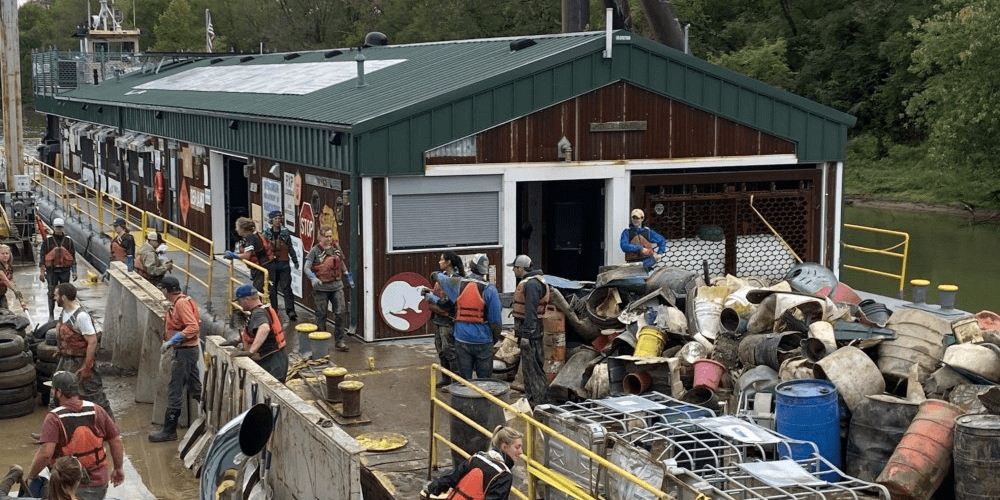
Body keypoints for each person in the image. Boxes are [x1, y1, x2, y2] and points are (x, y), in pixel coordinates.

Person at [27, 371, 124, 500]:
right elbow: (115, 440)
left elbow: (45, 455)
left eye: (53, 390)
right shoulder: (97, 410)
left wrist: (31, 476)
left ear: (59, 392)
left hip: (68, 486)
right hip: (99, 483)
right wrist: (118, 468)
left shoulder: (54, 418)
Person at [424, 255, 501, 380]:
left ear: (471, 267)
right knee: (485, 380)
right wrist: (494, 339)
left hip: (461, 338)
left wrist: (431, 295)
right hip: (483, 340)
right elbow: (496, 321)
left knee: (463, 380)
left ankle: (462, 397)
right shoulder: (490, 289)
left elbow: (439, 277)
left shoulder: (458, 284)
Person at [149, 276, 202, 442]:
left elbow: (192, 326)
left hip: (184, 352)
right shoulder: (182, 301)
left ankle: (169, 430)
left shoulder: (181, 304)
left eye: (161, 289)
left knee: (175, 389)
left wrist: (173, 341)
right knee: (195, 387)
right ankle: (212, 415)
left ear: (166, 290)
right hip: (188, 350)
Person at [52, 283, 113, 420]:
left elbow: (92, 342)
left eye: (56, 295)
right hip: (66, 361)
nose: (54, 298)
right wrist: (60, 350)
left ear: (64, 297)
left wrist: (87, 367)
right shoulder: (64, 313)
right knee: (57, 395)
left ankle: (111, 430)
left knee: (95, 396)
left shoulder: (81, 317)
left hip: (81, 362)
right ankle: (52, 430)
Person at [422, 426, 523, 500]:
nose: (521, 452)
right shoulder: (503, 475)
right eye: (517, 447)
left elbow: (452, 477)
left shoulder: (477, 457)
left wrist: (431, 488)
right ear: (504, 447)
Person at [304, 226, 353, 352]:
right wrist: (313, 278)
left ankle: (340, 341)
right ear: (320, 237)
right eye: (326, 236)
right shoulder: (315, 251)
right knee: (321, 315)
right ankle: (321, 342)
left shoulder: (336, 248)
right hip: (321, 289)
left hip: (337, 286)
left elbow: (340, 262)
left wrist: (347, 274)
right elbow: (307, 267)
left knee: (340, 313)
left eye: (331, 236)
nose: (329, 239)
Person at [509, 254, 550, 406]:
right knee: (530, 368)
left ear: (520, 268)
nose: (513, 271)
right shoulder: (534, 281)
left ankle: (539, 402)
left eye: (514, 268)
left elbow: (531, 312)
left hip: (531, 333)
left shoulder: (532, 284)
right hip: (533, 331)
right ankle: (534, 400)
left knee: (533, 369)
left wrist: (526, 335)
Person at [234, 284, 289, 382]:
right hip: (275, 357)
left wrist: (251, 351)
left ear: (246, 300)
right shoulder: (263, 310)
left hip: (273, 361)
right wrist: (237, 340)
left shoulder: (258, 313)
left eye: (239, 301)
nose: (240, 304)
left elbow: (264, 328)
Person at [426, 252, 464, 383]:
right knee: (440, 349)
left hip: (448, 321)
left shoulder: (455, 279)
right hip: (438, 319)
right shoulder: (444, 277)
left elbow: (449, 302)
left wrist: (431, 298)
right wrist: (429, 292)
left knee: (449, 351)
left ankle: (456, 381)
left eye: (442, 259)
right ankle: (446, 378)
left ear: (448, 262)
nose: (439, 262)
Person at [262, 211, 300, 320]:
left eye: (279, 218)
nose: (278, 221)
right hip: (271, 266)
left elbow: (290, 248)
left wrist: (295, 260)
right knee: (272, 289)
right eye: (276, 219)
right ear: (271, 221)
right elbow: (263, 251)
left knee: (286, 287)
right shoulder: (266, 234)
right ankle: (274, 311)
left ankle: (291, 311)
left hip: (284, 264)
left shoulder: (285, 233)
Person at [39, 218, 77, 320]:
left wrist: (74, 271)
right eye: (57, 227)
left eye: (60, 227)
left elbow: (73, 257)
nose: (58, 229)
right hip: (52, 271)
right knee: (51, 292)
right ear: (54, 227)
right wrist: (42, 272)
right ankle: (51, 315)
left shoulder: (69, 242)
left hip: (65, 270)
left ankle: (64, 313)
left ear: (63, 228)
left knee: (65, 292)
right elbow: (42, 257)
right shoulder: (47, 242)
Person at [227, 217, 272, 294]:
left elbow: (246, 256)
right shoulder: (253, 236)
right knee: (266, 291)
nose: (236, 230)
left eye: (237, 227)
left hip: (262, 268)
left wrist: (234, 255)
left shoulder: (250, 238)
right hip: (262, 267)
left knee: (258, 292)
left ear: (243, 229)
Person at [0, 244, 25, 310]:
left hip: (1, 294)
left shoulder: (9, 266)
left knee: (6, 314)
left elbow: (11, 280)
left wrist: (18, 294)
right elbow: (5, 280)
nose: (5, 255)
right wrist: (15, 290)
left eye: (7, 253)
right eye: (2, 253)